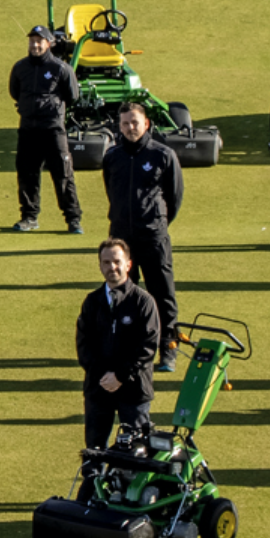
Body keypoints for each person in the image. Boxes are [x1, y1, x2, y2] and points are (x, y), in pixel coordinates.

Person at [101, 102, 182, 368]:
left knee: (162, 293)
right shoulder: (112, 157)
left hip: (153, 238)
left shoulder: (163, 155)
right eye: (124, 123)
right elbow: (110, 192)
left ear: (146, 123)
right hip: (122, 241)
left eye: (134, 122)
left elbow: (174, 197)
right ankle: (128, 347)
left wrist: (157, 222)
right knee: (124, 294)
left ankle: (168, 347)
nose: (130, 128)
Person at [76, 239, 162, 449]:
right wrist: (103, 376)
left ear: (128, 265)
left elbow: (147, 346)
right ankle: (92, 482)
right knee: (94, 452)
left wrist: (120, 376)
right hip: (99, 388)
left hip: (133, 389)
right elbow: (84, 344)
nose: (111, 267)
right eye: (106, 262)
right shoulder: (92, 302)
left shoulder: (143, 302)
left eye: (117, 261)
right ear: (100, 265)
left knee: (136, 452)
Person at [8, 25, 82, 234]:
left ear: (49, 43)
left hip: (52, 130)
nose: (35, 45)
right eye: (32, 41)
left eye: (39, 41)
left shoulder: (61, 68)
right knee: (27, 175)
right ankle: (29, 217)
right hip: (28, 130)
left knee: (63, 175)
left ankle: (73, 219)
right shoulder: (20, 68)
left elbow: (72, 96)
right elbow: (15, 92)